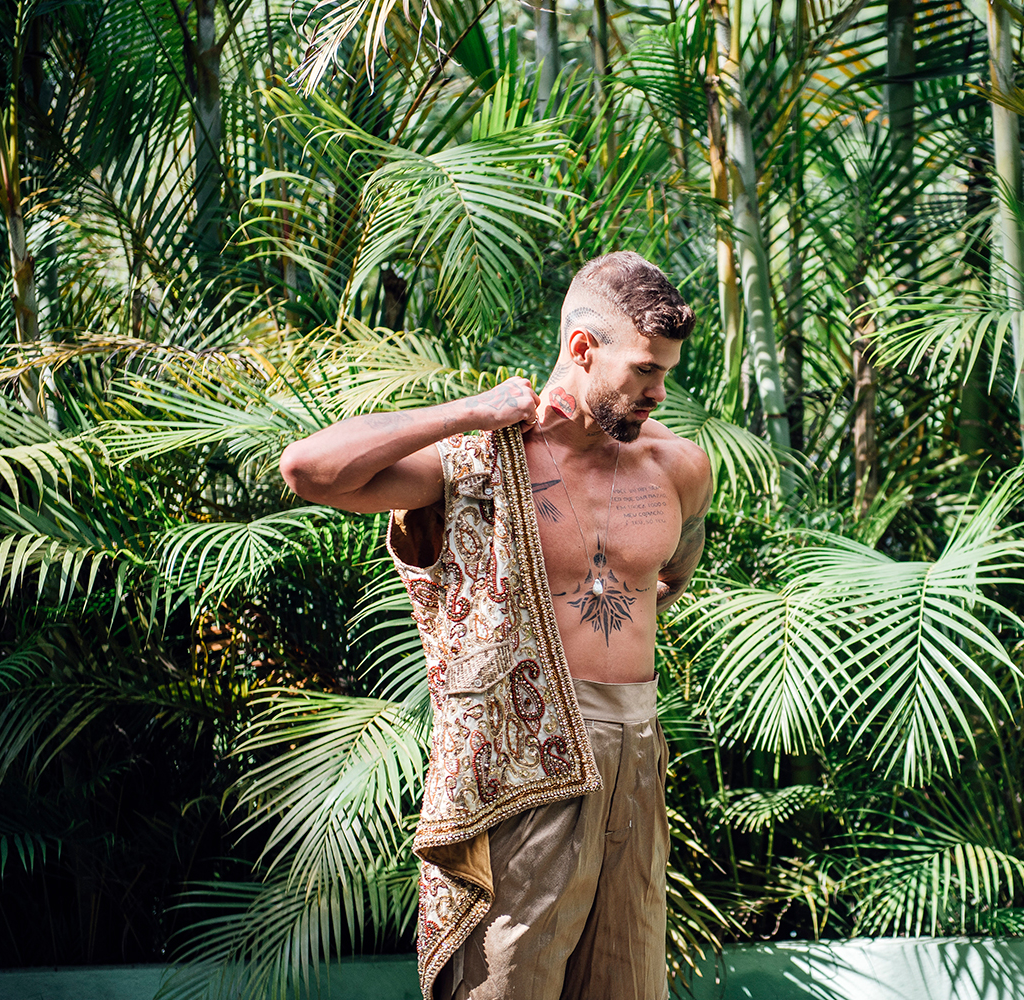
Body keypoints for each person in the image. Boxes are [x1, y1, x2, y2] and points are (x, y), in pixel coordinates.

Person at [279, 251, 712, 1000]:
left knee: (628, 985)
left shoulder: (678, 466)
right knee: (505, 983)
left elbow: (672, 574)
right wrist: (471, 411)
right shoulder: (479, 460)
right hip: (521, 765)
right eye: (644, 371)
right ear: (582, 348)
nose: (658, 392)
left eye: (666, 371)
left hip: (636, 757)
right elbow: (309, 469)